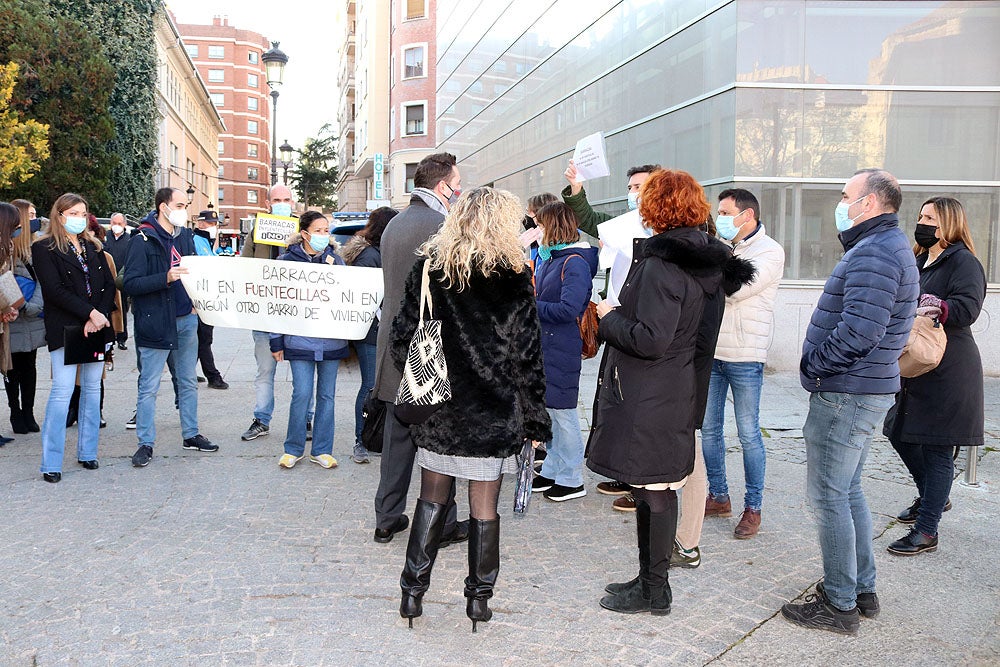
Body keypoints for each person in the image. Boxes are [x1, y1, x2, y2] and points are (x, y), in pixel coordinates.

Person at [393, 187, 551, 632]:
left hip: (439, 405)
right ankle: (479, 601)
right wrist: (535, 417)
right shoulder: (513, 273)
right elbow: (526, 355)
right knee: (485, 509)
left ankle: (412, 593)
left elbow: (403, 334)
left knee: (430, 498)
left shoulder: (430, 267)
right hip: (493, 411)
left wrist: (415, 383)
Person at [586, 169, 743, 616]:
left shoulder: (663, 263)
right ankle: (650, 580)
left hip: (652, 392)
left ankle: (656, 589)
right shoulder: (703, 259)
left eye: (645, 197)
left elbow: (651, 338)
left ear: (658, 206)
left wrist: (609, 315)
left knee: (654, 490)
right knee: (651, 486)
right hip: (674, 388)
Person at [781, 169, 918, 636]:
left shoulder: (877, 252)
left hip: (848, 392)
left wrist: (817, 366)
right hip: (862, 390)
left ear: (872, 202)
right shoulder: (882, 246)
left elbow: (861, 331)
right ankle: (860, 589)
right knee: (848, 490)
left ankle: (840, 604)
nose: (841, 203)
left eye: (846, 196)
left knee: (828, 496)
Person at [372, 152, 469, 547]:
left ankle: (387, 517)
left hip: (394, 347)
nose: (460, 190)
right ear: (443, 186)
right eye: (457, 183)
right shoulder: (442, 225)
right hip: (429, 350)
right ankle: (444, 524)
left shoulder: (394, 223)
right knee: (439, 441)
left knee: (397, 440)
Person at [882, 197, 986, 556]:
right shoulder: (919, 258)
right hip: (916, 364)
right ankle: (932, 497)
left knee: (938, 448)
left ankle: (927, 530)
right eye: (921, 216)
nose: (921, 222)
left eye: (930, 217)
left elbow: (968, 308)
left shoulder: (964, 262)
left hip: (949, 367)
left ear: (949, 223)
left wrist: (940, 306)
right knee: (898, 431)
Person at [562, 162, 659, 506]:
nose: (634, 193)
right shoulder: (624, 224)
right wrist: (577, 187)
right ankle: (623, 471)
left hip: (643, 326)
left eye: (641, 187)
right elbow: (588, 218)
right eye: (631, 187)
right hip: (615, 320)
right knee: (616, 399)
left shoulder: (666, 229)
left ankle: (642, 482)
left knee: (639, 404)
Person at [701, 189, 785, 539]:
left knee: (749, 433)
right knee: (708, 430)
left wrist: (714, 259)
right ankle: (719, 496)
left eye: (724, 212)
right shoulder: (724, 247)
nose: (718, 218)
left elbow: (736, 289)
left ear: (747, 215)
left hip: (746, 355)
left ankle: (754, 507)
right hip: (713, 352)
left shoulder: (770, 251)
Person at [124, 187, 217, 468]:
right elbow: (131, 284)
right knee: (149, 385)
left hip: (186, 319)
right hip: (155, 322)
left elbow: (201, 273)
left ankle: (191, 434)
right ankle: (145, 443)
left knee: (188, 381)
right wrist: (165, 277)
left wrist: (196, 303)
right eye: (179, 205)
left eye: (185, 205)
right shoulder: (142, 239)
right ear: (163, 207)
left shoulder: (187, 237)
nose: (184, 210)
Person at [30, 195, 116, 482]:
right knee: (62, 392)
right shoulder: (44, 248)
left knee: (92, 390)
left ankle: (88, 452)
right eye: (73, 212)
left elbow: (107, 285)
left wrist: (100, 316)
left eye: (83, 212)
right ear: (59, 215)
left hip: (96, 327)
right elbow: (54, 291)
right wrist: (90, 313)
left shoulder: (93, 246)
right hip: (66, 328)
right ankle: (51, 462)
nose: (79, 217)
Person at [528, 202, 598, 502]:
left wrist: (531, 306)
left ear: (554, 227)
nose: (536, 231)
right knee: (552, 411)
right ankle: (555, 468)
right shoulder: (553, 258)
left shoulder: (575, 261)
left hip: (562, 345)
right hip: (548, 344)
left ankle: (572, 477)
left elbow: (570, 308)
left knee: (564, 412)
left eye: (541, 225)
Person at [269, 212, 348, 469]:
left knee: (327, 396)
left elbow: (349, 297)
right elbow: (276, 304)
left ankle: (322, 450)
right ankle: (293, 448)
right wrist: (276, 341)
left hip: (331, 342)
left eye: (327, 230)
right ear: (305, 234)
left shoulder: (337, 262)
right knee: (301, 394)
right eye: (319, 230)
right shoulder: (285, 262)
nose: (324, 235)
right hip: (299, 341)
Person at [241, 184, 298, 441]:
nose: (282, 203)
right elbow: (244, 268)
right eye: (277, 200)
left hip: (298, 316)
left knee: (303, 373)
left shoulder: (304, 231)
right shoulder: (256, 232)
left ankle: (305, 420)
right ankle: (261, 419)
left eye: (286, 199)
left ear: (293, 202)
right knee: (265, 371)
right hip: (265, 314)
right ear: (267, 204)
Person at [341, 206, 397, 464]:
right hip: (370, 332)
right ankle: (360, 440)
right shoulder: (370, 256)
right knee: (369, 386)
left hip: (379, 330)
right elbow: (367, 296)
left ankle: (374, 437)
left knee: (378, 386)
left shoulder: (378, 253)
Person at [7, 199, 45, 434]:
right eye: (30, 215)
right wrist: (16, 306)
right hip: (12, 318)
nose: (35, 219)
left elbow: (44, 281)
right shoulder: (6, 249)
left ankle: (29, 412)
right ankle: (15, 413)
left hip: (33, 316)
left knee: (29, 367)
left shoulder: (38, 246)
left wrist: (32, 306)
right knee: (12, 369)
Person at [562, 161, 660, 237]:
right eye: (630, 188)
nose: (631, 193)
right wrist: (576, 186)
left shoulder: (671, 226)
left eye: (637, 187)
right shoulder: (624, 226)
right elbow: (587, 220)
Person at [193, 209, 229, 390]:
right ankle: (213, 376)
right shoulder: (195, 241)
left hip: (207, 298)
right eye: (210, 223)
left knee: (201, 338)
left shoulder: (207, 242)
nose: (213, 227)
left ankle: (188, 371)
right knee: (204, 338)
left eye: (215, 224)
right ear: (200, 223)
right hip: (199, 299)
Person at [104, 213, 131, 350]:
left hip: (122, 280)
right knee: (106, 309)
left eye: (120, 223)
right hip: (106, 280)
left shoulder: (130, 239)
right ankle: (109, 338)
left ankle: (122, 338)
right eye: (114, 223)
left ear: (124, 225)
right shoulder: (105, 237)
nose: (116, 226)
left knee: (122, 309)